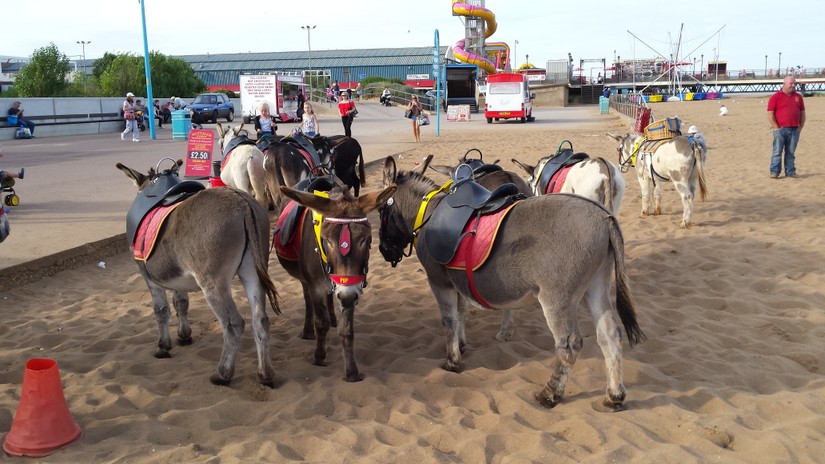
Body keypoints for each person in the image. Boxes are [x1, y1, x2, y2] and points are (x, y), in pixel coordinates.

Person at [768, 76, 805, 179]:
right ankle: (774, 172)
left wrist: (800, 128)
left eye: (794, 84)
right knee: (777, 152)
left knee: (791, 152)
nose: (793, 85)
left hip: (794, 129)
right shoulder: (775, 97)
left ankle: (790, 171)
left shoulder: (798, 97)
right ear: (784, 84)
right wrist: (775, 128)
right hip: (780, 129)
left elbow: (803, 113)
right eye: (791, 84)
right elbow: (770, 114)